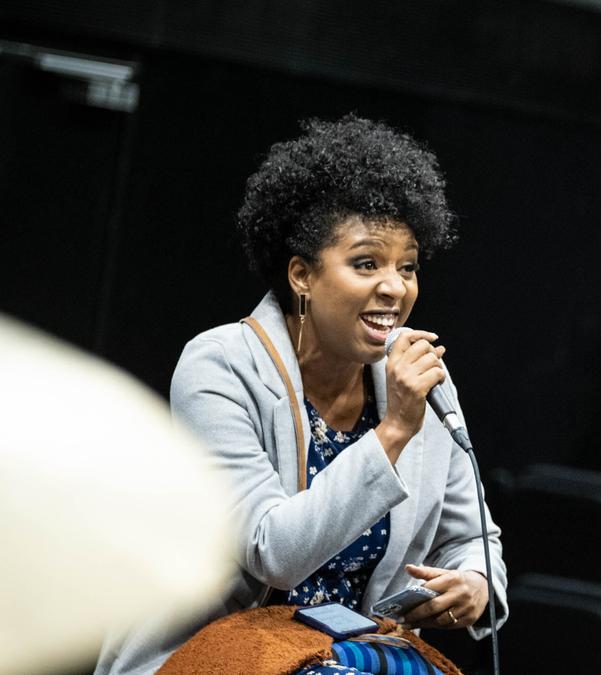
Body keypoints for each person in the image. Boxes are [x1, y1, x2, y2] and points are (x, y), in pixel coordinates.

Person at [96, 115, 507, 674]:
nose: (395, 286)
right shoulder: (219, 367)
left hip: (348, 655)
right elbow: (273, 553)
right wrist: (391, 434)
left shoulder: (420, 376)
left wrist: (475, 583)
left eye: (407, 266)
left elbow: (475, 538)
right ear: (301, 276)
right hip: (213, 653)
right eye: (366, 263)